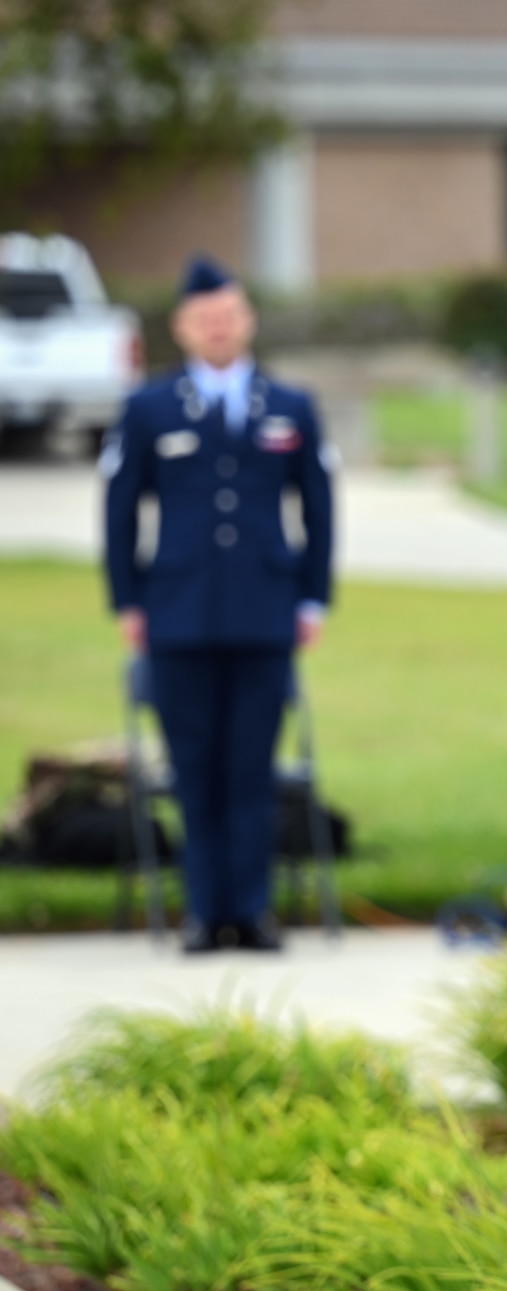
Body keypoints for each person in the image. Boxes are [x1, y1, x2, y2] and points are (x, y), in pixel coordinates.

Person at [103, 254, 335, 953]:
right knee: (195, 766)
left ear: (248, 320)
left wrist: (314, 597)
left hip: (266, 608)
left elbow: (319, 508)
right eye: (205, 318)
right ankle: (207, 912)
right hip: (177, 610)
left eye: (228, 315)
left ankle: (253, 912)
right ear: (181, 327)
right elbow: (119, 512)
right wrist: (127, 598)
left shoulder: (290, 407)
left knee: (251, 769)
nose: (218, 328)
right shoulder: (148, 408)